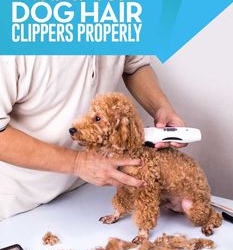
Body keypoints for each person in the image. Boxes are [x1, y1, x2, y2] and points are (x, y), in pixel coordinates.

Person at [0, 55, 186, 220]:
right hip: (15, 203)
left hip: (82, 190)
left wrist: (161, 107)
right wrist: (77, 163)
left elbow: (134, 65)